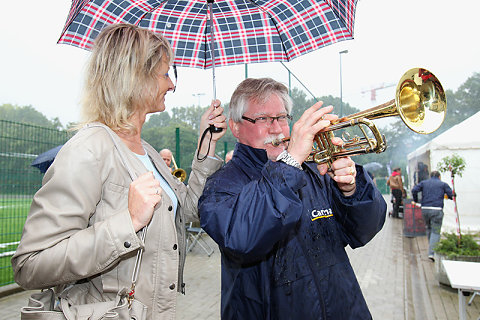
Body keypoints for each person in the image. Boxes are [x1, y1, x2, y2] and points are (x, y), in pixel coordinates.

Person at [11, 24, 226, 319]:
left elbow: (190, 211)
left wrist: (207, 144)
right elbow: (30, 265)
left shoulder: (146, 150)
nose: (172, 85)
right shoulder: (89, 149)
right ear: (136, 77)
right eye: (165, 74)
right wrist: (129, 222)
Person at [198, 78, 386, 319]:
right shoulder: (221, 184)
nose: (276, 128)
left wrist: (351, 189)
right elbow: (242, 238)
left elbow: (363, 231)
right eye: (262, 119)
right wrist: (291, 161)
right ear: (235, 127)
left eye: (281, 117)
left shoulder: (312, 169)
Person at [411, 171, 453, 261]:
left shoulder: (424, 183)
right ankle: (431, 253)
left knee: (429, 228)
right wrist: (450, 196)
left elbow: (414, 190)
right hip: (437, 210)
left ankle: (431, 246)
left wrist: (416, 200)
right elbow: (451, 195)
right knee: (435, 231)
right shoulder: (443, 184)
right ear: (439, 176)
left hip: (425, 209)